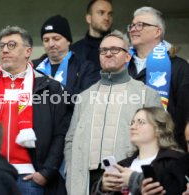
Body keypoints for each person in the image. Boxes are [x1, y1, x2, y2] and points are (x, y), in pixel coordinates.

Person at [0, 26, 68, 195]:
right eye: (2, 46)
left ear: (28, 51)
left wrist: (46, 172)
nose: (4, 50)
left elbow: (60, 133)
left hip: (30, 177)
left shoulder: (48, 88)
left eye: (11, 45)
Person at [64, 30, 162, 195]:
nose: (108, 54)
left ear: (128, 56)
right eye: (103, 50)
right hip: (86, 182)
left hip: (126, 179)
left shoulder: (146, 94)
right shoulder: (84, 97)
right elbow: (71, 141)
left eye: (115, 49)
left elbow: (159, 139)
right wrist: (72, 172)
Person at [127, 6, 189, 149]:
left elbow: (184, 114)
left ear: (157, 31)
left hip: (165, 149)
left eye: (140, 25)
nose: (133, 29)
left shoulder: (178, 67)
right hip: (125, 150)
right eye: (132, 25)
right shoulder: (122, 66)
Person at [96, 107, 183, 194]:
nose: (133, 127)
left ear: (159, 129)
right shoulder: (122, 165)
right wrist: (103, 189)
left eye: (140, 122)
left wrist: (132, 179)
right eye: (132, 123)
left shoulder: (175, 161)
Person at [33, 14, 99, 97]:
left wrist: (58, 88)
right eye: (46, 40)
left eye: (56, 39)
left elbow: (88, 100)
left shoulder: (86, 68)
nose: (51, 44)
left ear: (68, 41)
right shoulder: (32, 67)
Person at [70, 0, 113, 72]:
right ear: (89, 18)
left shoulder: (121, 48)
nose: (107, 18)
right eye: (101, 13)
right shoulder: (74, 51)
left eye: (110, 14)